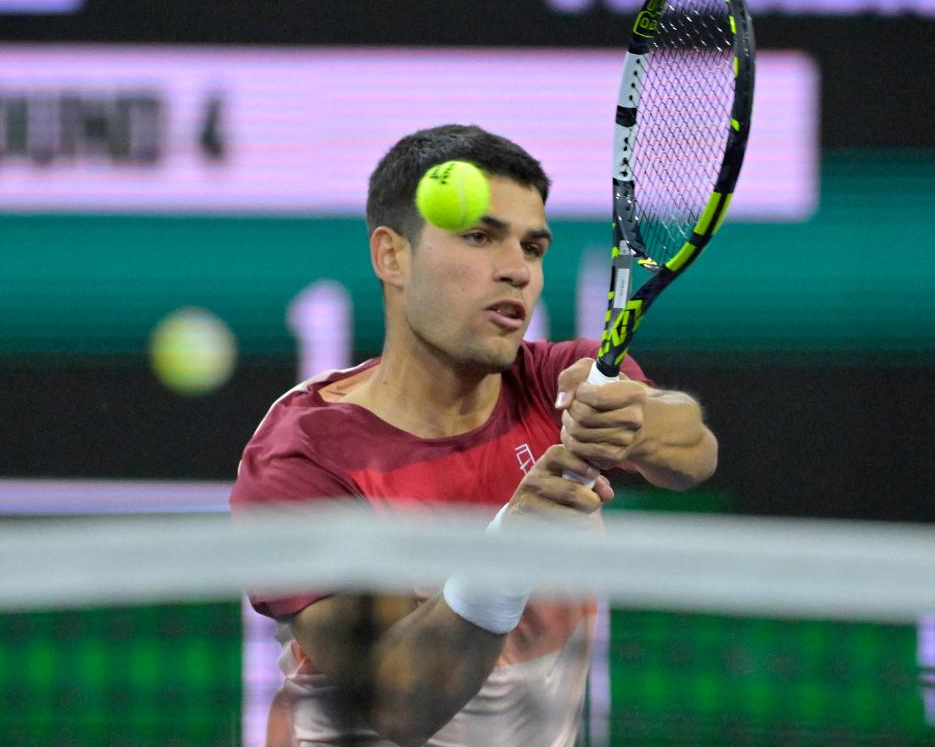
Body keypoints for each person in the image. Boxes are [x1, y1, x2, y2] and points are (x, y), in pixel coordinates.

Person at [230, 124, 718, 747]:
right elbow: (399, 703)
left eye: (534, 248)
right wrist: (505, 553)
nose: (516, 270)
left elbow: (694, 451)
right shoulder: (301, 457)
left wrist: (638, 422)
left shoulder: (552, 384)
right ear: (392, 257)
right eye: (479, 236)